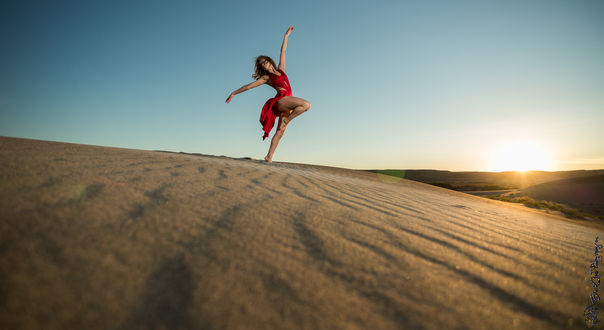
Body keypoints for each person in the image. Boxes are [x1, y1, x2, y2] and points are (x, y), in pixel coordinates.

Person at [225, 25, 311, 163]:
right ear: (262, 68)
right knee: (306, 105)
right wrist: (234, 93)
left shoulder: (281, 69)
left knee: (280, 132)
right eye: (262, 65)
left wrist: (286, 36)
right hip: (282, 100)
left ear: (270, 61)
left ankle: (269, 157)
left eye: (266, 62)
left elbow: (283, 51)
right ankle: (286, 120)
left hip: (288, 103)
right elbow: (249, 86)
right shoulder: (266, 78)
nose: (266, 65)